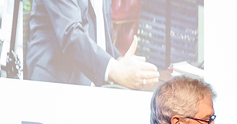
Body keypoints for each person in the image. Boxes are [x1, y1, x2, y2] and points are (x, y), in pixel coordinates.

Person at [26, 0, 159, 88]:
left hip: (88, 84)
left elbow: (100, 38)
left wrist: (121, 62)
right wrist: (116, 70)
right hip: (54, 84)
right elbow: (71, 34)